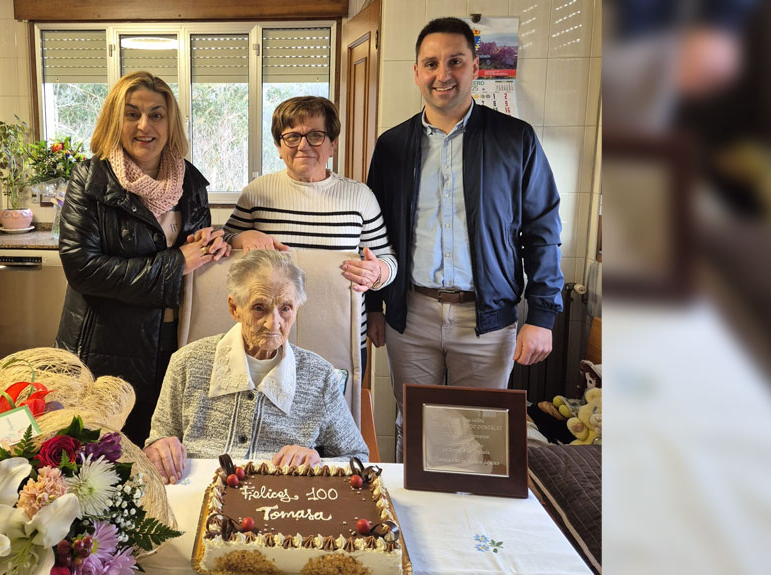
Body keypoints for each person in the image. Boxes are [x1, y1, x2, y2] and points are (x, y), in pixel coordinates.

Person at [365, 18, 563, 461]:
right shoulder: (392, 145)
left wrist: (544, 315)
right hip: (410, 316)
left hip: (487, 319)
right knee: (414, 429)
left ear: (476, 66)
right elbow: (373, 233)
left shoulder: (516, 139)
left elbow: (543, 229)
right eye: (431, 63)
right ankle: (414, 527)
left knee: (481, 434)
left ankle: (474, 529)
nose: (443, 74)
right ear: (416, 72)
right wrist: (375, 307)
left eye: (455, 61)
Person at [56, 71, 229, 446]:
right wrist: (176, 262)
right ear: (114, 120)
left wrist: (217, 242)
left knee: (164, 452)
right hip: (104, 349)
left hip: (174, 343)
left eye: (156, 114)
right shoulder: (90, 179)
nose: (144, 125)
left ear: (170, 124)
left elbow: (196, 259)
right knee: (103, 457)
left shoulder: (192, 184)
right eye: (132, 114)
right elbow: (82, 269)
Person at [143, 250, 369, 484]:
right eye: (259, 308)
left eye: (285, 308)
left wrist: (317, 461)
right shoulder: (187, 363)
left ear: (296, 311)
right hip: (198, 494)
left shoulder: (319, 376)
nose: (274, 323)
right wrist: (159, 449)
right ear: (234, 308)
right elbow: (158, 443)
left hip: (284, 506)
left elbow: (358, 457)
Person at [223, 96, 397, 356]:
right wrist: (241, 237)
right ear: (279, 147)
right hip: (268, 336)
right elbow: (224, 244)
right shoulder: (256, 193)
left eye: (315, 135)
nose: (303, 146)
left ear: (332, 144)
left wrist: (377, 272)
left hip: (340, 337)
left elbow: (388, 260)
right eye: (292, 137)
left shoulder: (360, 197)